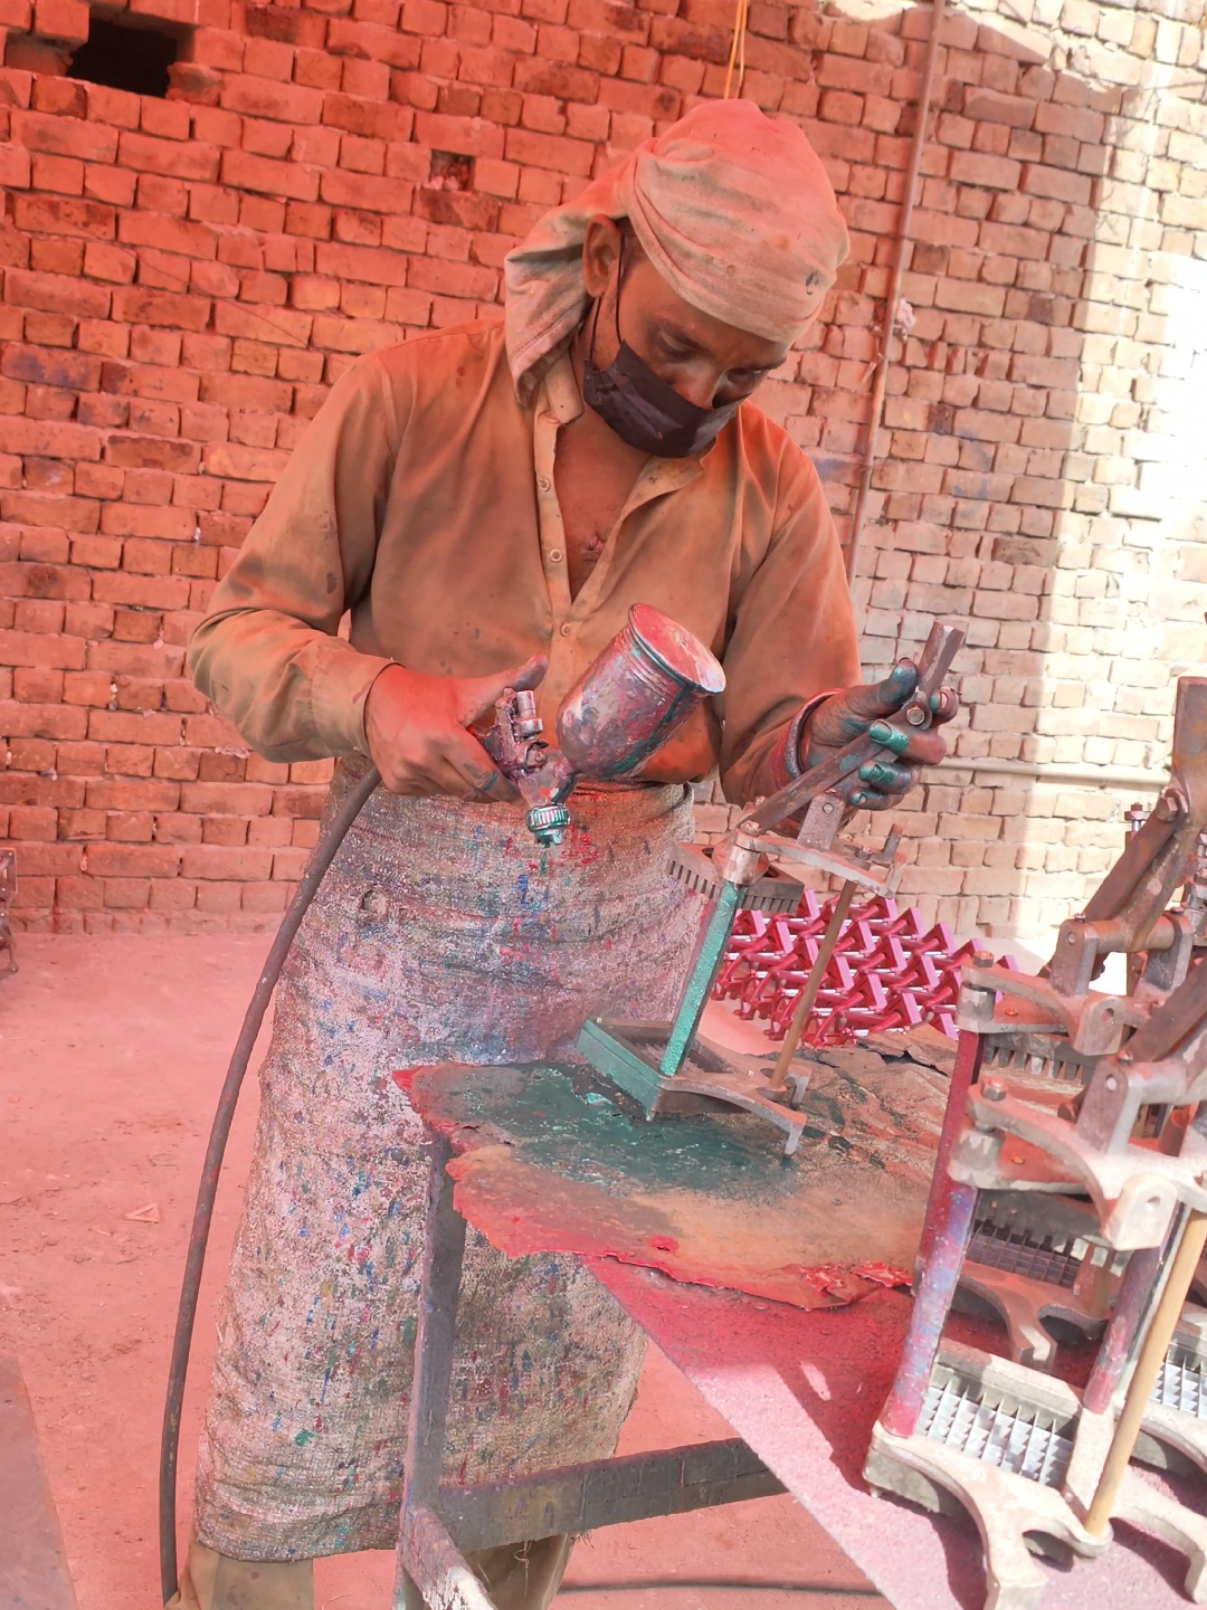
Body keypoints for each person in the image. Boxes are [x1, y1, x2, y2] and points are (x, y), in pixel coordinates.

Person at [175, 100, 953, 1610]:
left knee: (533, 1398)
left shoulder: (768, 486)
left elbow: (768, 741)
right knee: (306, 1380)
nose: (702, 392)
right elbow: (234, 639)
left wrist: (831, 742)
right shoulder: (413, 400)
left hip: (612, 989)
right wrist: (381, 696)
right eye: (674, 348)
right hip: (386, 965)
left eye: (743, 371)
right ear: (604, 259)